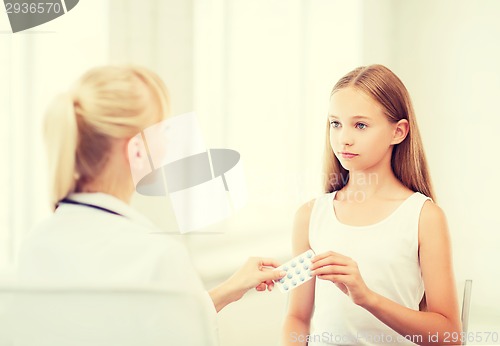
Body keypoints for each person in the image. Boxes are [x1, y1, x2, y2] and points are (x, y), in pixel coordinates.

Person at [16, 65, 285, 328]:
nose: (168, 143)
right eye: (163, 130)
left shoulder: (34, 245)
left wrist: (228, 289)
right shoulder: (158, 256)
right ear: (136, 151)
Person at [281, 65, 461, 345]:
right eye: (335, 123)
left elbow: (449, 336)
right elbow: (297, 317)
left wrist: (368, 298)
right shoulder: (309, 216)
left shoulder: (424, 218)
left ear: (398, 132)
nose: (344, 138)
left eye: (360, 125)